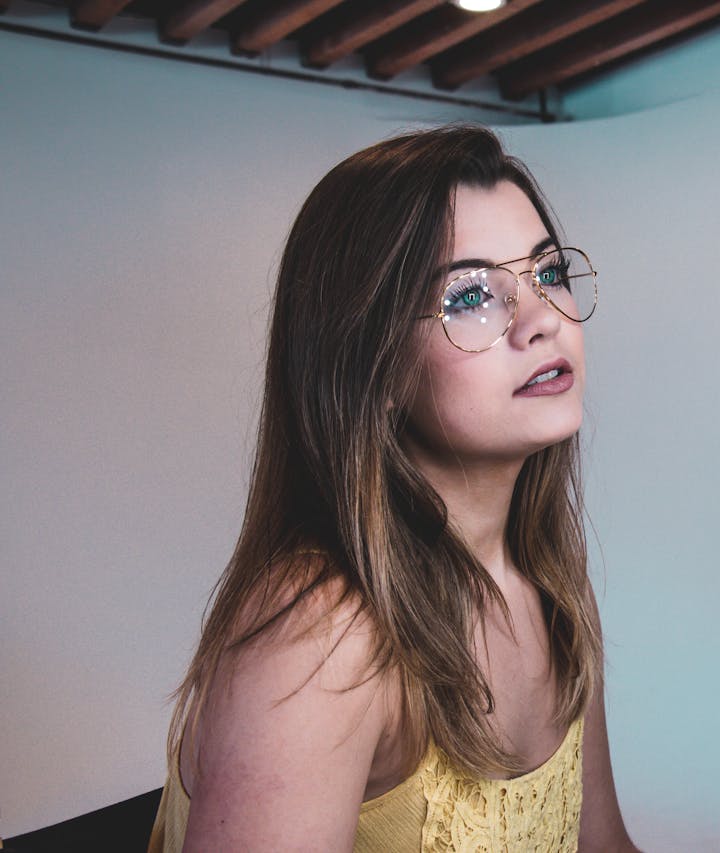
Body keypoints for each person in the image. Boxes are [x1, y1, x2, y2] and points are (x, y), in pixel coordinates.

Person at [147, 125, 638, 852]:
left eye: (548, 273)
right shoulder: (320, 636)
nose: (541, 320)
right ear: (371, 370)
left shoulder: (556, 587)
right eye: (472, 295)